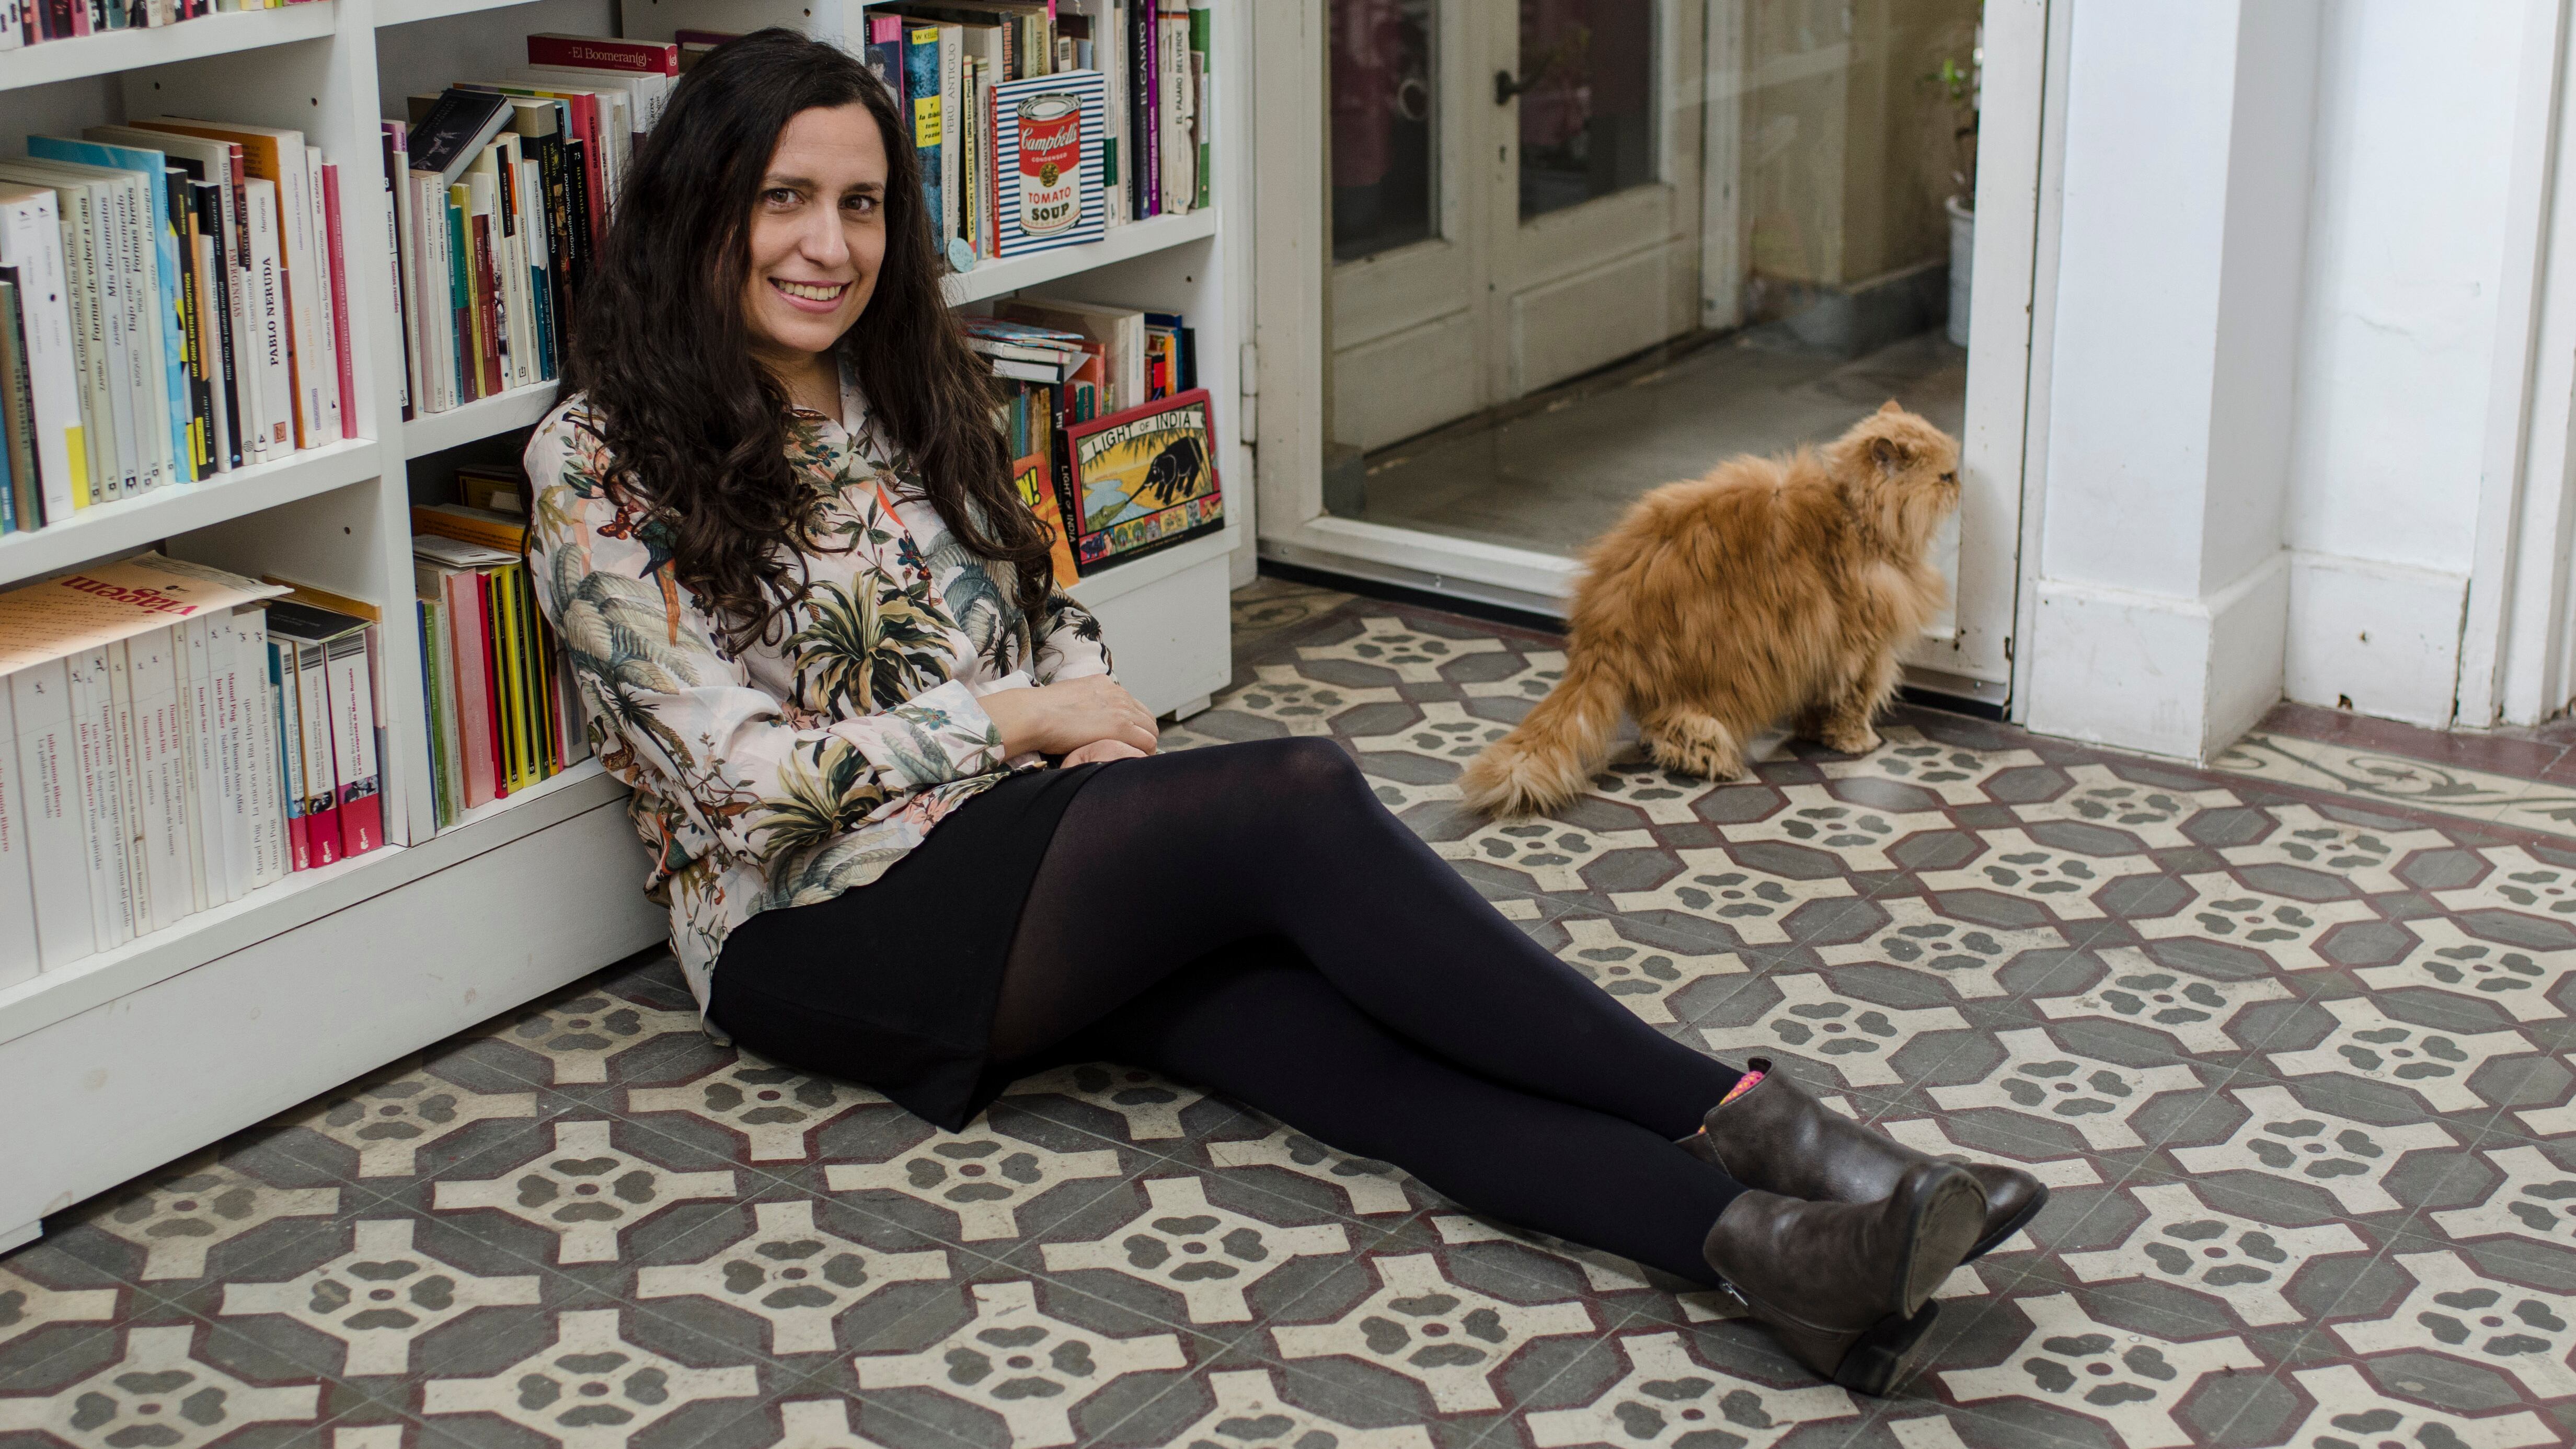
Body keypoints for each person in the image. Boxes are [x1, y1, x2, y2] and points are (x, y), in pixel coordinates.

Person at [523, 29, 2043, 1396]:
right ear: (704, 205)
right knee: (1296, 799)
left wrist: (1081, 715)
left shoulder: (911, 377)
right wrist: (1033, 727)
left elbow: (1045, 598)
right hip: (824, 916)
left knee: (1334, 1044)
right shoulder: (597, 461)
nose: (828, 244)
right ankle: (1763, 1117)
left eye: (861, 206)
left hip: (1021, 848)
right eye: (786, 197)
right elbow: (734, 785)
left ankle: (1778, 1258)